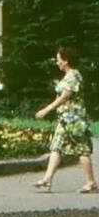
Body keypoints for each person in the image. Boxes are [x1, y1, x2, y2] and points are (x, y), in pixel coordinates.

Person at [33, 47, 97, 193]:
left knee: (82, 150)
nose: (57, 63)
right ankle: (47, 179)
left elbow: (65, 96)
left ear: (66, 60)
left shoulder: (74, 75)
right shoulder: (67, 76)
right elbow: (60, 94)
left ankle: (91, 182)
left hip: (75, 120)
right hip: (64, 119)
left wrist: (46, 109)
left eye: (58, 60)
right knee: (56, 147)